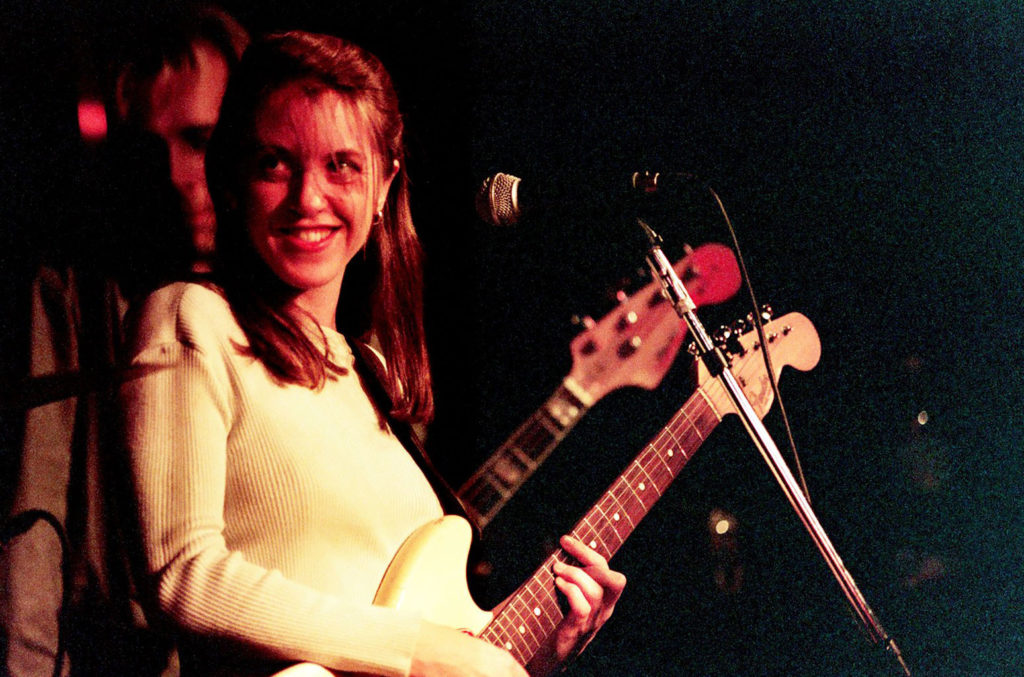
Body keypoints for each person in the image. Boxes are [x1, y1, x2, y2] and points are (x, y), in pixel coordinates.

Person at [118, 30, 626, 677]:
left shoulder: (372, 374)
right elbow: (182, 573)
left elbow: (411, 633)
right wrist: (424, 651)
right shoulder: (193, 317)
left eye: (341, 165)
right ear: (236, 178)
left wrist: (536, 651)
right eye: (276, 162)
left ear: (384, 184)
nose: (308, 197)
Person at [1, 6, 247, 676]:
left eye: (200, 141)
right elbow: (33, 533)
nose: (174, 176)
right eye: (150, 148)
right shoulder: (75, 293)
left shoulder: (284, 295)